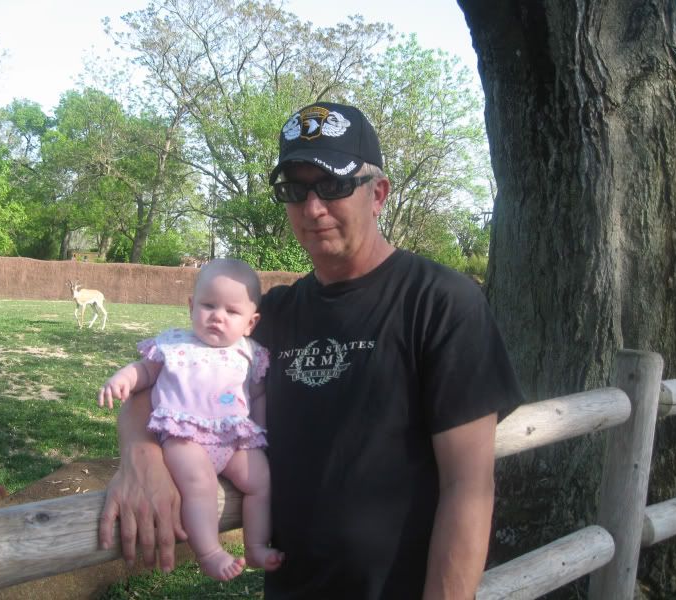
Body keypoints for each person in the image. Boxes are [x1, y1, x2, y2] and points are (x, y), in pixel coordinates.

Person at [98, 102, 524, 598]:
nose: (313, 207)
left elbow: (468, 488)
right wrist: (141, 458)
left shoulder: (440, 303)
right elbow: (165, 375)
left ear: (378, 194)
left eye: (333, 185)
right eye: (295, 190)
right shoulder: (271, 317)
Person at [98, 258, 284, 581]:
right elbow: (145, 372)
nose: (218, 316)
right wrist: (123, 378)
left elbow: (257, 395)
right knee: (200, 482)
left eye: (232, 311)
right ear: (190, 306)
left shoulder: (251, 353)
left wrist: (259, 432)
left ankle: (255, 546)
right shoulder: (175, 344)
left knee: (261, 479)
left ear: (251, 323)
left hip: (232, 440)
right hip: (184, 438)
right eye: (208, 305)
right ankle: (209, 553)